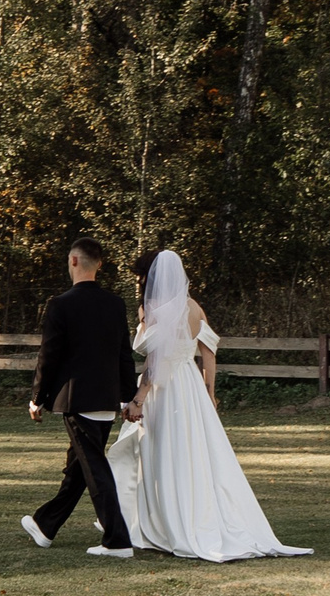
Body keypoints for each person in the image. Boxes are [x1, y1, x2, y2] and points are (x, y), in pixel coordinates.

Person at [104, 249, 312, 561]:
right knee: (194, 451)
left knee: (165, 451)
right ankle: (193, 517)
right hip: (190, 385)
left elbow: (155, 359)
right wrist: (209, 393)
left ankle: (168, 523)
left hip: (164, 389)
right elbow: (209, 352)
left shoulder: (155, 309)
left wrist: (138, 399)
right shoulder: (194, 307)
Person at [21, 237, 141, 558]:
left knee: (94, 468)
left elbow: (49, 356)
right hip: (107, 400)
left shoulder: (60, 304)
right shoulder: (115, 304)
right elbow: (124, 355)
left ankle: (117, 541)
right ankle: (45, 525)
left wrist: (37, 398)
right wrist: (128, 398)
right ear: (98, 264)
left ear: (73, 261)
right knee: (80, 467)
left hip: (76, 401)